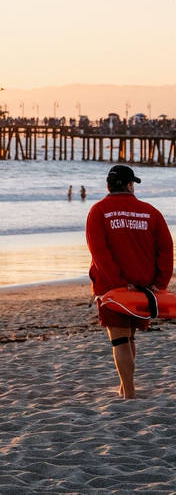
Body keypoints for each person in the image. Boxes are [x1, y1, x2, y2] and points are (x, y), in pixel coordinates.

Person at [86, 164, 173, 399]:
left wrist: (118, 282)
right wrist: (159, 283)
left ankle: (129, 393)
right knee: (130, 337)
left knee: (120, 340)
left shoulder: (99, 211)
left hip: (113, 289)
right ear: (129, 184)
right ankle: (127, 387)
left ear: (108, 185)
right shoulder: (150, 212)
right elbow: (166, 250)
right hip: (144, 288)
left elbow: (99, 253)